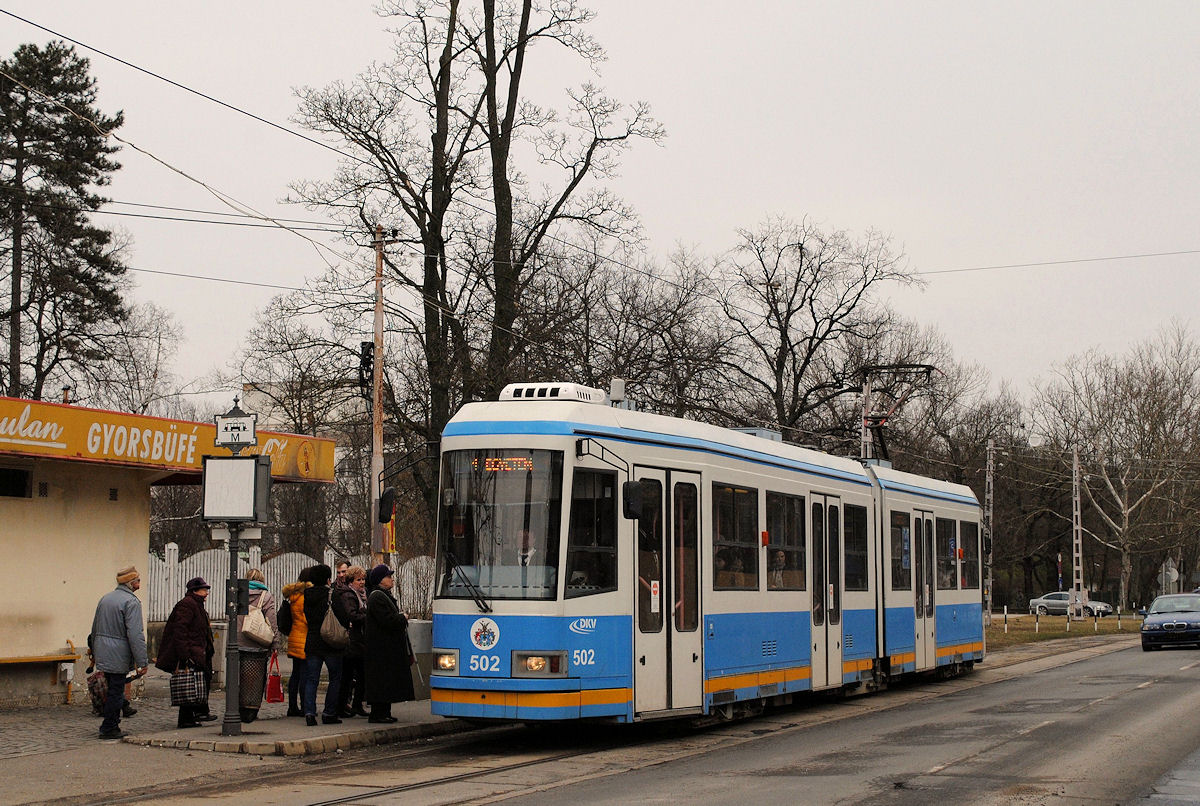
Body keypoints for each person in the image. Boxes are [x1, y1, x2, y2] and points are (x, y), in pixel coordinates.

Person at [90, 566, 149, 740]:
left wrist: (94, 652)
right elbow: (135, 634)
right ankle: (110, 727)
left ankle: (109, 724)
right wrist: (142, 661)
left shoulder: (105, 599)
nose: (139, 584)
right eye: (138, 581)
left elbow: (94, 628)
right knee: (116, 690)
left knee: (112, 689)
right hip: (119, 652)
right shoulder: (131, 602)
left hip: (103, 650)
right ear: (131, 583)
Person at [156, 577, 215, 729]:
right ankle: (187, 719)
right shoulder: (188, 605)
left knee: (197, 682)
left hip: (197, 650)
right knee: (189, 683)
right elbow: (180, 631)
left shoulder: (196, 604)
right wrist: (185, 655)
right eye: (204, 589)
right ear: (195, 591)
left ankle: (196, 714)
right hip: (191, 652)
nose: (206, 592)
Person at [364, 564, 415, 723]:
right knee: (381, 682)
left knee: (387, 682)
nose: (391, 579)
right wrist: (402, 618)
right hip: (381, 649)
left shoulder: (382, 595)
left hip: (385, 648)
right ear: (380, 580)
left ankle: (384, 712)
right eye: (388, 576)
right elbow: (387, 620)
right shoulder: (377, 596)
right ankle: (378, 713)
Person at [302, 564, 349, 726]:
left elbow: (307, 617)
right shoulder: (331, 594)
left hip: (312, 641)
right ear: (327, 578)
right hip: (331, 643)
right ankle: (329, 713)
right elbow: (343, 616)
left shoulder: (306, 595)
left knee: (311, 679)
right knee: (335, 678)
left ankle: (309, 712)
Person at [236, 568, 283, 723]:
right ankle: (251, 709)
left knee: (238, 677)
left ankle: (237, 706)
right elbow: (272, 620)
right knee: (255, 678)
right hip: (258, 643)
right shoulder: (266, 596)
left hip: (238, 642)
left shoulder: (237, 593)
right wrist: (275, 643)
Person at [277, 567, 312, 717]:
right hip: (303, 638)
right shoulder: (305, 597)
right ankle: (305, 706)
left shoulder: (293, 596)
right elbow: (306, 619)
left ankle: (292, 706)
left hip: (294, 637)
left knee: (296, 674)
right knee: (305, 674)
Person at [335, 565, 369, 717]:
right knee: (350, 676)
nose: (361, 583)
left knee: (357, 675)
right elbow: (352, 615)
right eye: (358, 580)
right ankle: (344, 706)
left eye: (363, 579)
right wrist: (367, 616)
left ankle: (353, 705)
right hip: (352, 642)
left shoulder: (362, 594)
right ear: (351, 581)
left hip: (359, 640)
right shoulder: (349, 595)